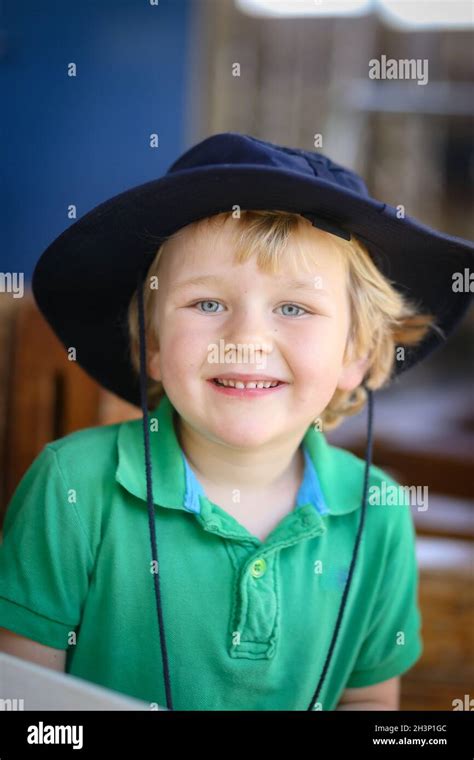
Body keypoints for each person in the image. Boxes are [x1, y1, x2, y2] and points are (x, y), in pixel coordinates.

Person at [0, 133, 472, 711]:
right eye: (207, 304)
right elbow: (24, 708)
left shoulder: (380, 513)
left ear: (359, 353)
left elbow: (368, 703)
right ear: (150, 341)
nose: (245, 341)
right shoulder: (72, 487)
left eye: (294, 308)